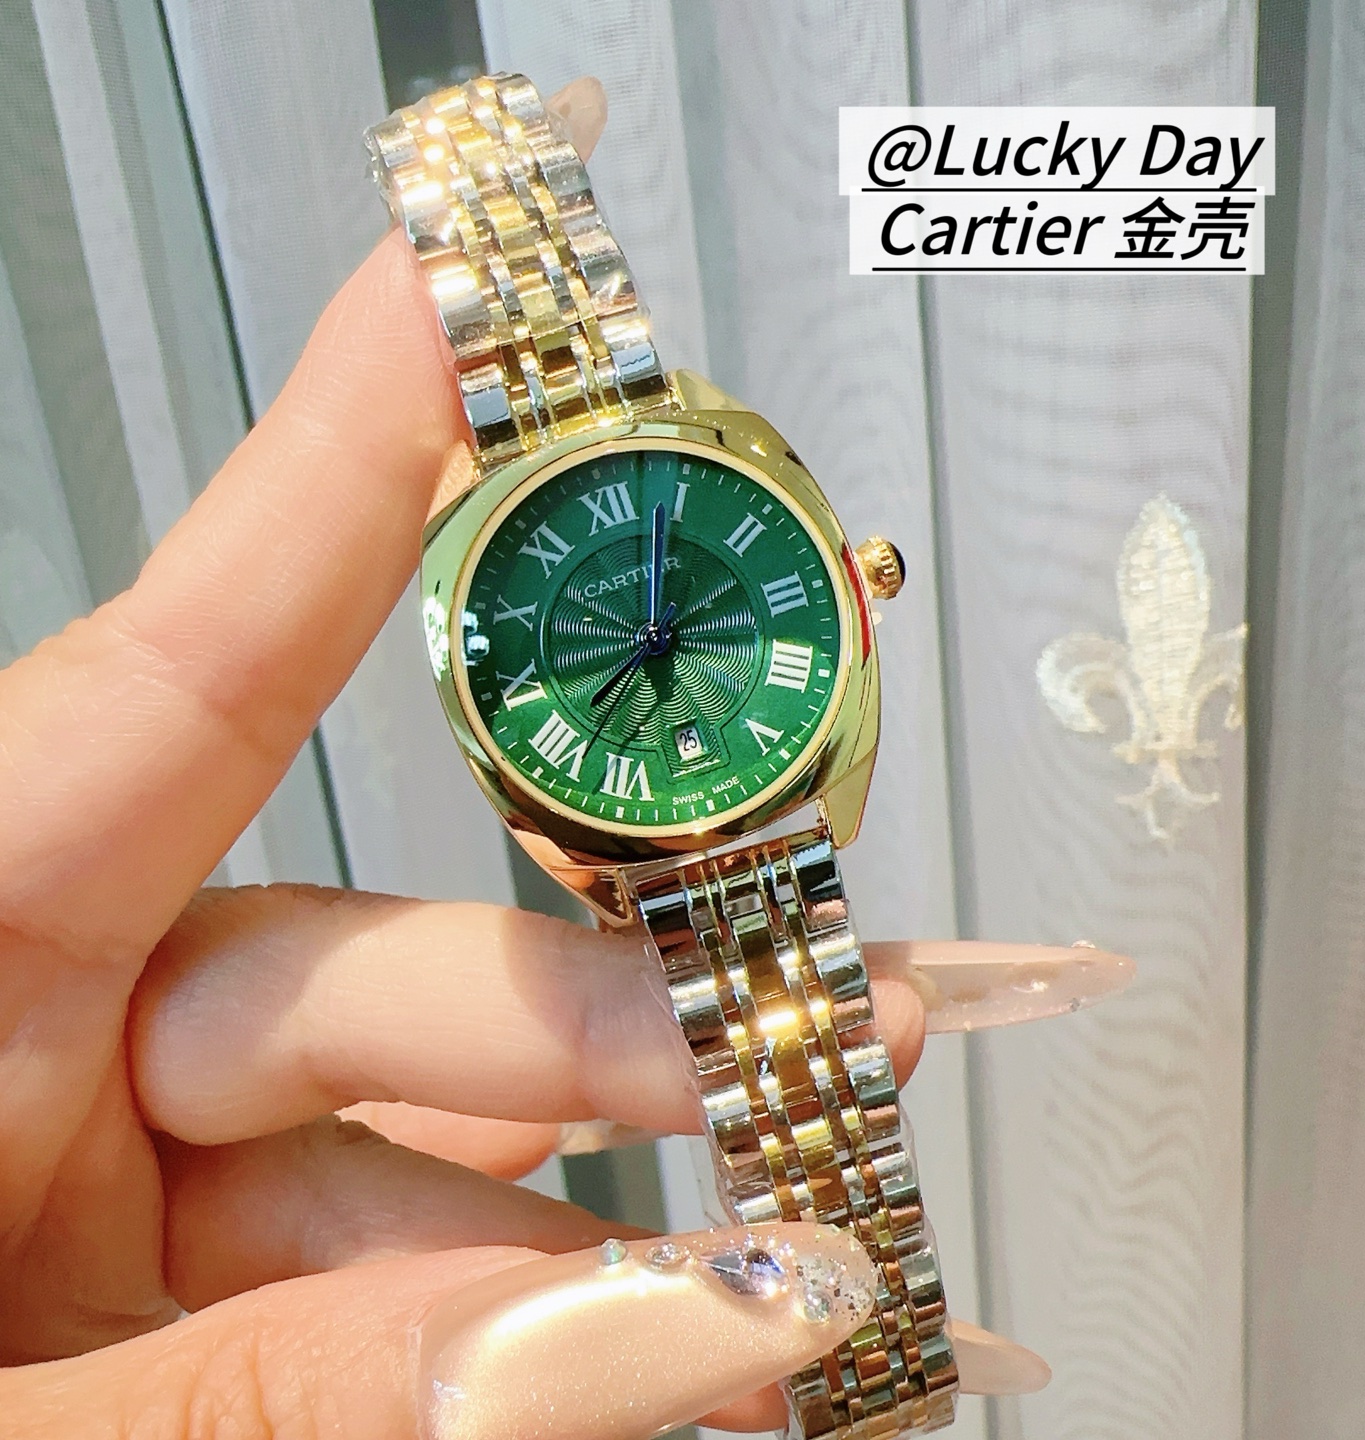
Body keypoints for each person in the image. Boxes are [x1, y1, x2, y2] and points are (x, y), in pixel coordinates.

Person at [0, 80, 1131, 1439]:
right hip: (678, 845)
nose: (655, 635)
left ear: (856, 582)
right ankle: (861, 1350)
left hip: (755, 811)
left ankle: (861, 1346)